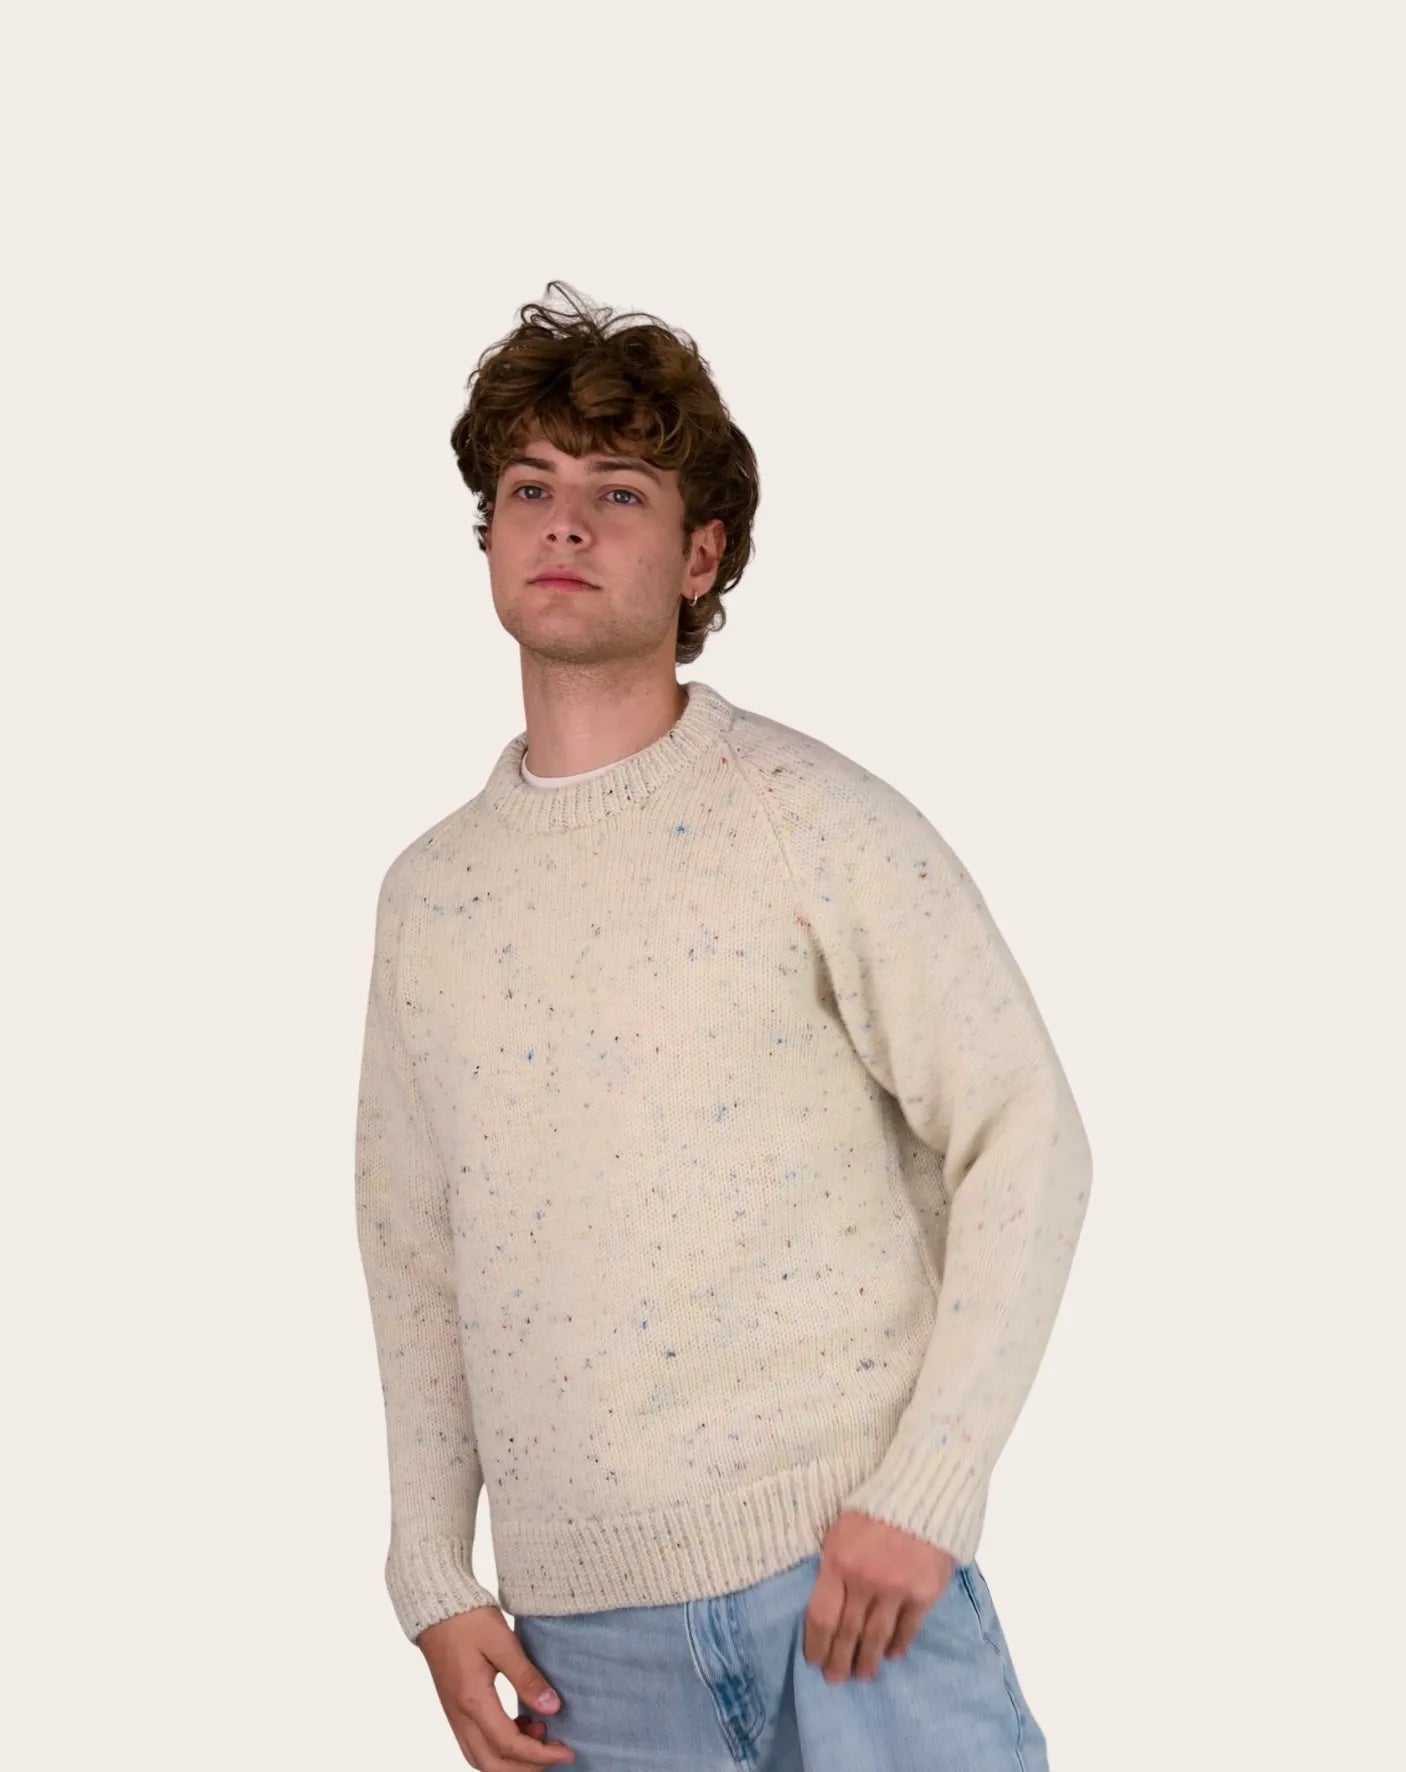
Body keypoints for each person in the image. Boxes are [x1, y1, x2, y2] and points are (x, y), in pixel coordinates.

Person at [352, 281, 1094, 1771]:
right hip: (579, 1654)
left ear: (702, 556)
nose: (564, 525)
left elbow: (1026, 1138)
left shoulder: (812, 822)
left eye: (617, 493)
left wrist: (927, 1492)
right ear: (489, 534)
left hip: (848, 1596)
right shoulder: (429, 897)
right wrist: (432, 1573)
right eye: (529, 488)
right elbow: (411, 1245)